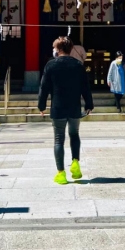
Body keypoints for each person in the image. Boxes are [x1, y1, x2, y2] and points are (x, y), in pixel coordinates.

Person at [38, 36, 94, 185]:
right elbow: (85, 88)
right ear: (70, 49)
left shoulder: (50, 66)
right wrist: (89, 104)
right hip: (74, 107)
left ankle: (61, 173)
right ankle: (75, 163)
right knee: (74, 134)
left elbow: (44, 88)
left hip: (58, 107)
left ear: (57, 49)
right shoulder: (78, 65)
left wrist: (41, 106)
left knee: (58, 140)